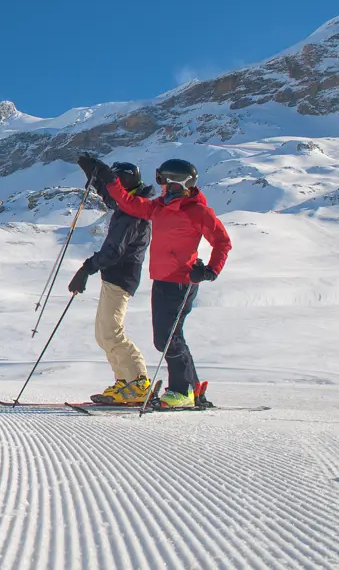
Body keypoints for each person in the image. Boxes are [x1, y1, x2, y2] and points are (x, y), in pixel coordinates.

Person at [77, 154, 232, 408]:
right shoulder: (159, 207)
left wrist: (209, 271)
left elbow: (222, 242)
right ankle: (193, 390)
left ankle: (181, 391)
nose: (160, 186)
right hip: (161, 280)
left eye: (163, 181)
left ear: (176, 183)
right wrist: (108, 179)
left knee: (166, 339)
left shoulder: (197, 211)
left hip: (182, 281)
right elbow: (128, 203)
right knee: (170, 336)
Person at [67, 161, 154, 405]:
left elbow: (114, 250)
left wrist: (87, 269)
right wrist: (95, 178)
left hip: (122, 273)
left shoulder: (132, 213)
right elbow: (113, 200)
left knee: (111, 331)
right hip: (117, 274)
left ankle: (137, 382)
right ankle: (124, 382)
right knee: (103, 333)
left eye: (115, 181)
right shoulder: (131, 204)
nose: (112, 186)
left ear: (123, 182)